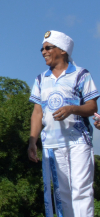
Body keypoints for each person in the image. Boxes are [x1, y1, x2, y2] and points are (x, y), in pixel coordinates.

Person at [27, 30, 98, 217]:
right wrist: (32, 141)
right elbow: (37, 112)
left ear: (63, 50)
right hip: (52, 144)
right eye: (42, 49)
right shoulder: (41, 79)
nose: (44, 52)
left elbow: (91, 106)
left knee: (81, 191)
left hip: (78, 142)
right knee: (62, 194)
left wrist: (72, 109)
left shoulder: (81, 75)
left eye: (48, 48)